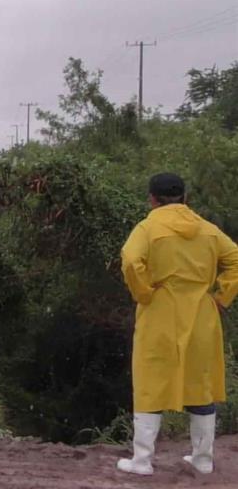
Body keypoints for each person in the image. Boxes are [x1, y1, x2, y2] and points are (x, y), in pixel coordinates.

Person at [117, 172, 238, 475]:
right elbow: (236, 258)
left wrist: (144, 292)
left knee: (150, 382)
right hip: (201, 314)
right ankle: (202, 460)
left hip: (160, 312)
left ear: (152, 199)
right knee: (201, 384)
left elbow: (131, 260)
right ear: (185, 198)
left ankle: (142, 461)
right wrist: (222, 296)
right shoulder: (208, 230)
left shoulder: (147, 228)